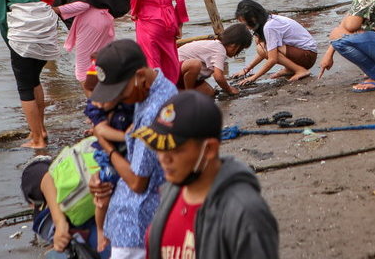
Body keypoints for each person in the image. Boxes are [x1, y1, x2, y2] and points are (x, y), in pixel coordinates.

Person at [139, 91, 279, 259]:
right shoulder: (171, 192)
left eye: (175, 149)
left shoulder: (245, 213)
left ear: (209, 149)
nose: (163, 158)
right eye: (159, 147)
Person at [87, 39, 178, 259]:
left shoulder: (153, 113)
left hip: (137, 224)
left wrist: (107, 147)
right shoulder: (155, 88)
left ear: (140, 76)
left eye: (121, 93)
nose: (118, 99)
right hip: (134, 218)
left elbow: (138, 183)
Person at [0, 0, 59, 149]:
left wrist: (10, 44)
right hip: (46, 33)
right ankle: (40, 129)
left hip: (24, 36)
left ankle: (37, 139)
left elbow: (2, 19)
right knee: (35, 80)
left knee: (24, 87)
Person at [232, 0, 318, 84]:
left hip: (308, 55)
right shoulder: (268, 20)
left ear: (253, 18)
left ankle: (300, 70)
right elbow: (264, 53)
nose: (246, 27)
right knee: (262, 47)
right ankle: (291, 68)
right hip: (305, 54)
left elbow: (272, 59)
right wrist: (246, 69)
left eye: (245, 23)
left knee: (262, 48)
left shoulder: (269, 26)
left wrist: (253, 78)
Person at [177, 24, 252, 97]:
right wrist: (229, 89)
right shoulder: (219, 50)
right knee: (195, 64)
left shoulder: (217, 47)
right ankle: (187, 96)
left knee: (210, 93)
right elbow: (218, 77)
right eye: (240, 49)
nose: (238, 54)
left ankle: (180, 91)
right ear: (234, 46)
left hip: (187, 77)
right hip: (175, 72)